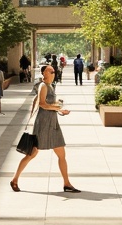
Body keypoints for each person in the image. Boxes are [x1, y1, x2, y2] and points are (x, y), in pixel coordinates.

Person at [10, 64, 80, 194]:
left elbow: (50, 105)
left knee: (62, 154)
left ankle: (67, 183)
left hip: (53, 124)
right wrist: (56, 108)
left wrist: (60, 110)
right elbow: (42, 104)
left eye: (54, 71)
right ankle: (14, 180)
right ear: (44, 73)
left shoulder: (51, 86)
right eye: (50, 71)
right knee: (32, 153)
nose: (53, 72)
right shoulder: (43, 86)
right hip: (42, 124)